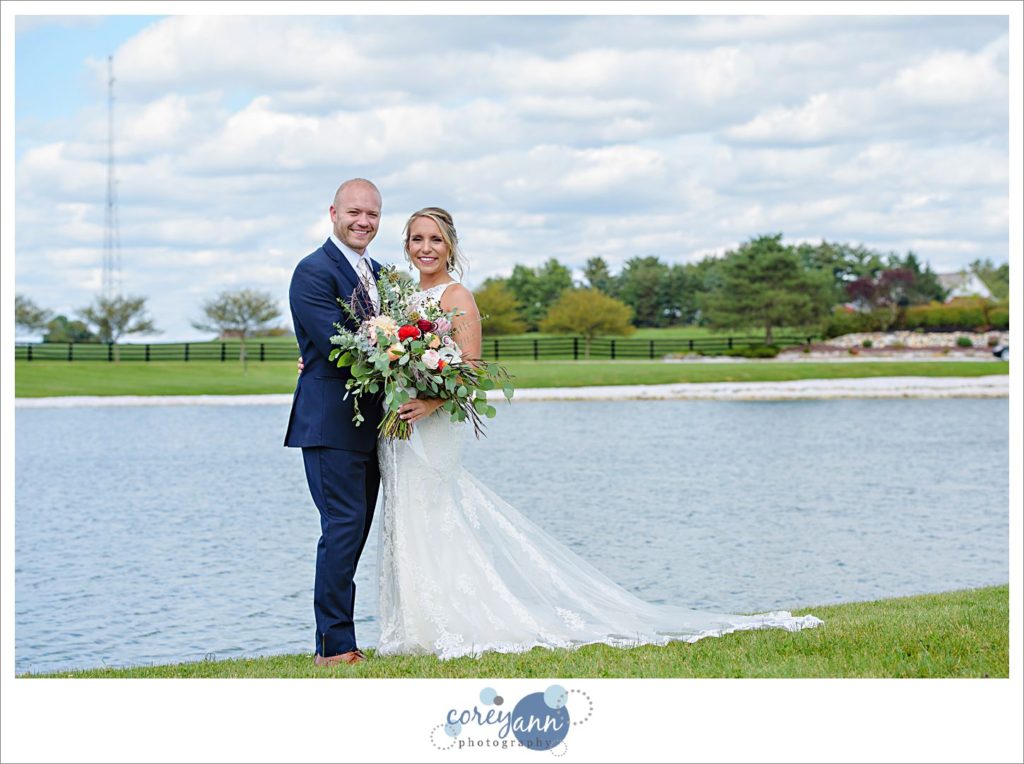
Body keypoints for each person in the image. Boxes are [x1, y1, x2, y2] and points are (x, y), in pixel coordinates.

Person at [303, 206, 824, 661]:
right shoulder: (397, 295)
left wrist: (431, 399)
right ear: (406, 245)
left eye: (435, 239)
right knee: (405, 522)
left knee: (435, 516)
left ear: (451, 246)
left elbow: (472, 369)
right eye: (417, 238)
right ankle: (411, 628)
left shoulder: (457, 295)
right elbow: (366, 345)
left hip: (429, 426)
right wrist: (322, 360)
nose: (425, 247)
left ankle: (456, 619)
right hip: (396, 435)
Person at [284, 178, 385, 667]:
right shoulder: (312, 271)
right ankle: (335, 647)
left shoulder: (381, 274)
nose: (363, 221)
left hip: (374, 426)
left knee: (356, 531)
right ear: (333, 213)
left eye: (372, 214)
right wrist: (403, 352)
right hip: (330, 423)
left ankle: (337, 638)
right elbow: (337, 346)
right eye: (354, 212)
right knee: (342, 527)